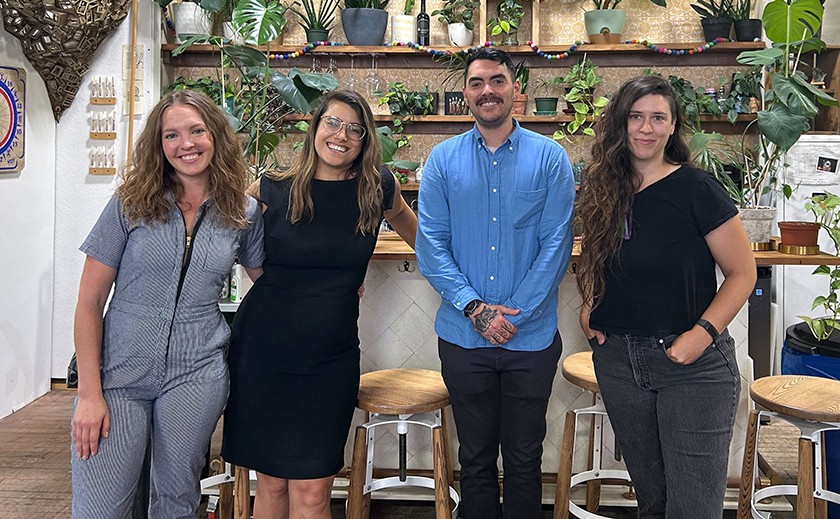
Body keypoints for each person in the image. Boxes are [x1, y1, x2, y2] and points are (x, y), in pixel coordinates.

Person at [221, 89, 418, 518]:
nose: (341, 135)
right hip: (263, 351)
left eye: (354, 129)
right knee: (269, 485)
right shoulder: (272, 188)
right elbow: (220, 237)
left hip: (330, 358)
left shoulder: (377, 189)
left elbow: (425, 242)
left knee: (313, 491)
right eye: (333, 123)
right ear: (315, 128)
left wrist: (472, 286)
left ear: (365, 141)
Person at [71, 90, 265, 518]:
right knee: (102, 507)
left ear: (215, 135)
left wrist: (334, 279)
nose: (186, 144)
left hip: (196, 373)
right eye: (171, 135)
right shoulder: (131, 203)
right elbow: (89, 303)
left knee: (176, 501)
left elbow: (271, 284)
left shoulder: (242, 211)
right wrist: (88, 393)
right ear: (159, 146)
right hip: (118, 374)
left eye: (196, 131)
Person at [576, 75, 756, 518]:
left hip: (692, 368)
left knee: (692, 508)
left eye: (658, 117)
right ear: (621, 123)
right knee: (652, 501)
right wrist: (589, 304)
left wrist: (703, 333)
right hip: (619, 361)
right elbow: (599, 257)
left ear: (673, 127)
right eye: (636, 117)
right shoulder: (605, 188)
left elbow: (742, 272)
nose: (646, 128)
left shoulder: (697, 189)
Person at [416, 47, 576, 518]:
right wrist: (476, 310)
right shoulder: (442, 161)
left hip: (531, 339)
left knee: (526, 458)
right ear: (465, 93)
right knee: (475, 458)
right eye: (477, 82)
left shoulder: (550, 158)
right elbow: (432, 245)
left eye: (498, 81)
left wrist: (513, 315)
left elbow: (556, 245)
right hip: (465, 336)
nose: (488, 91)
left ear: (516, 90)